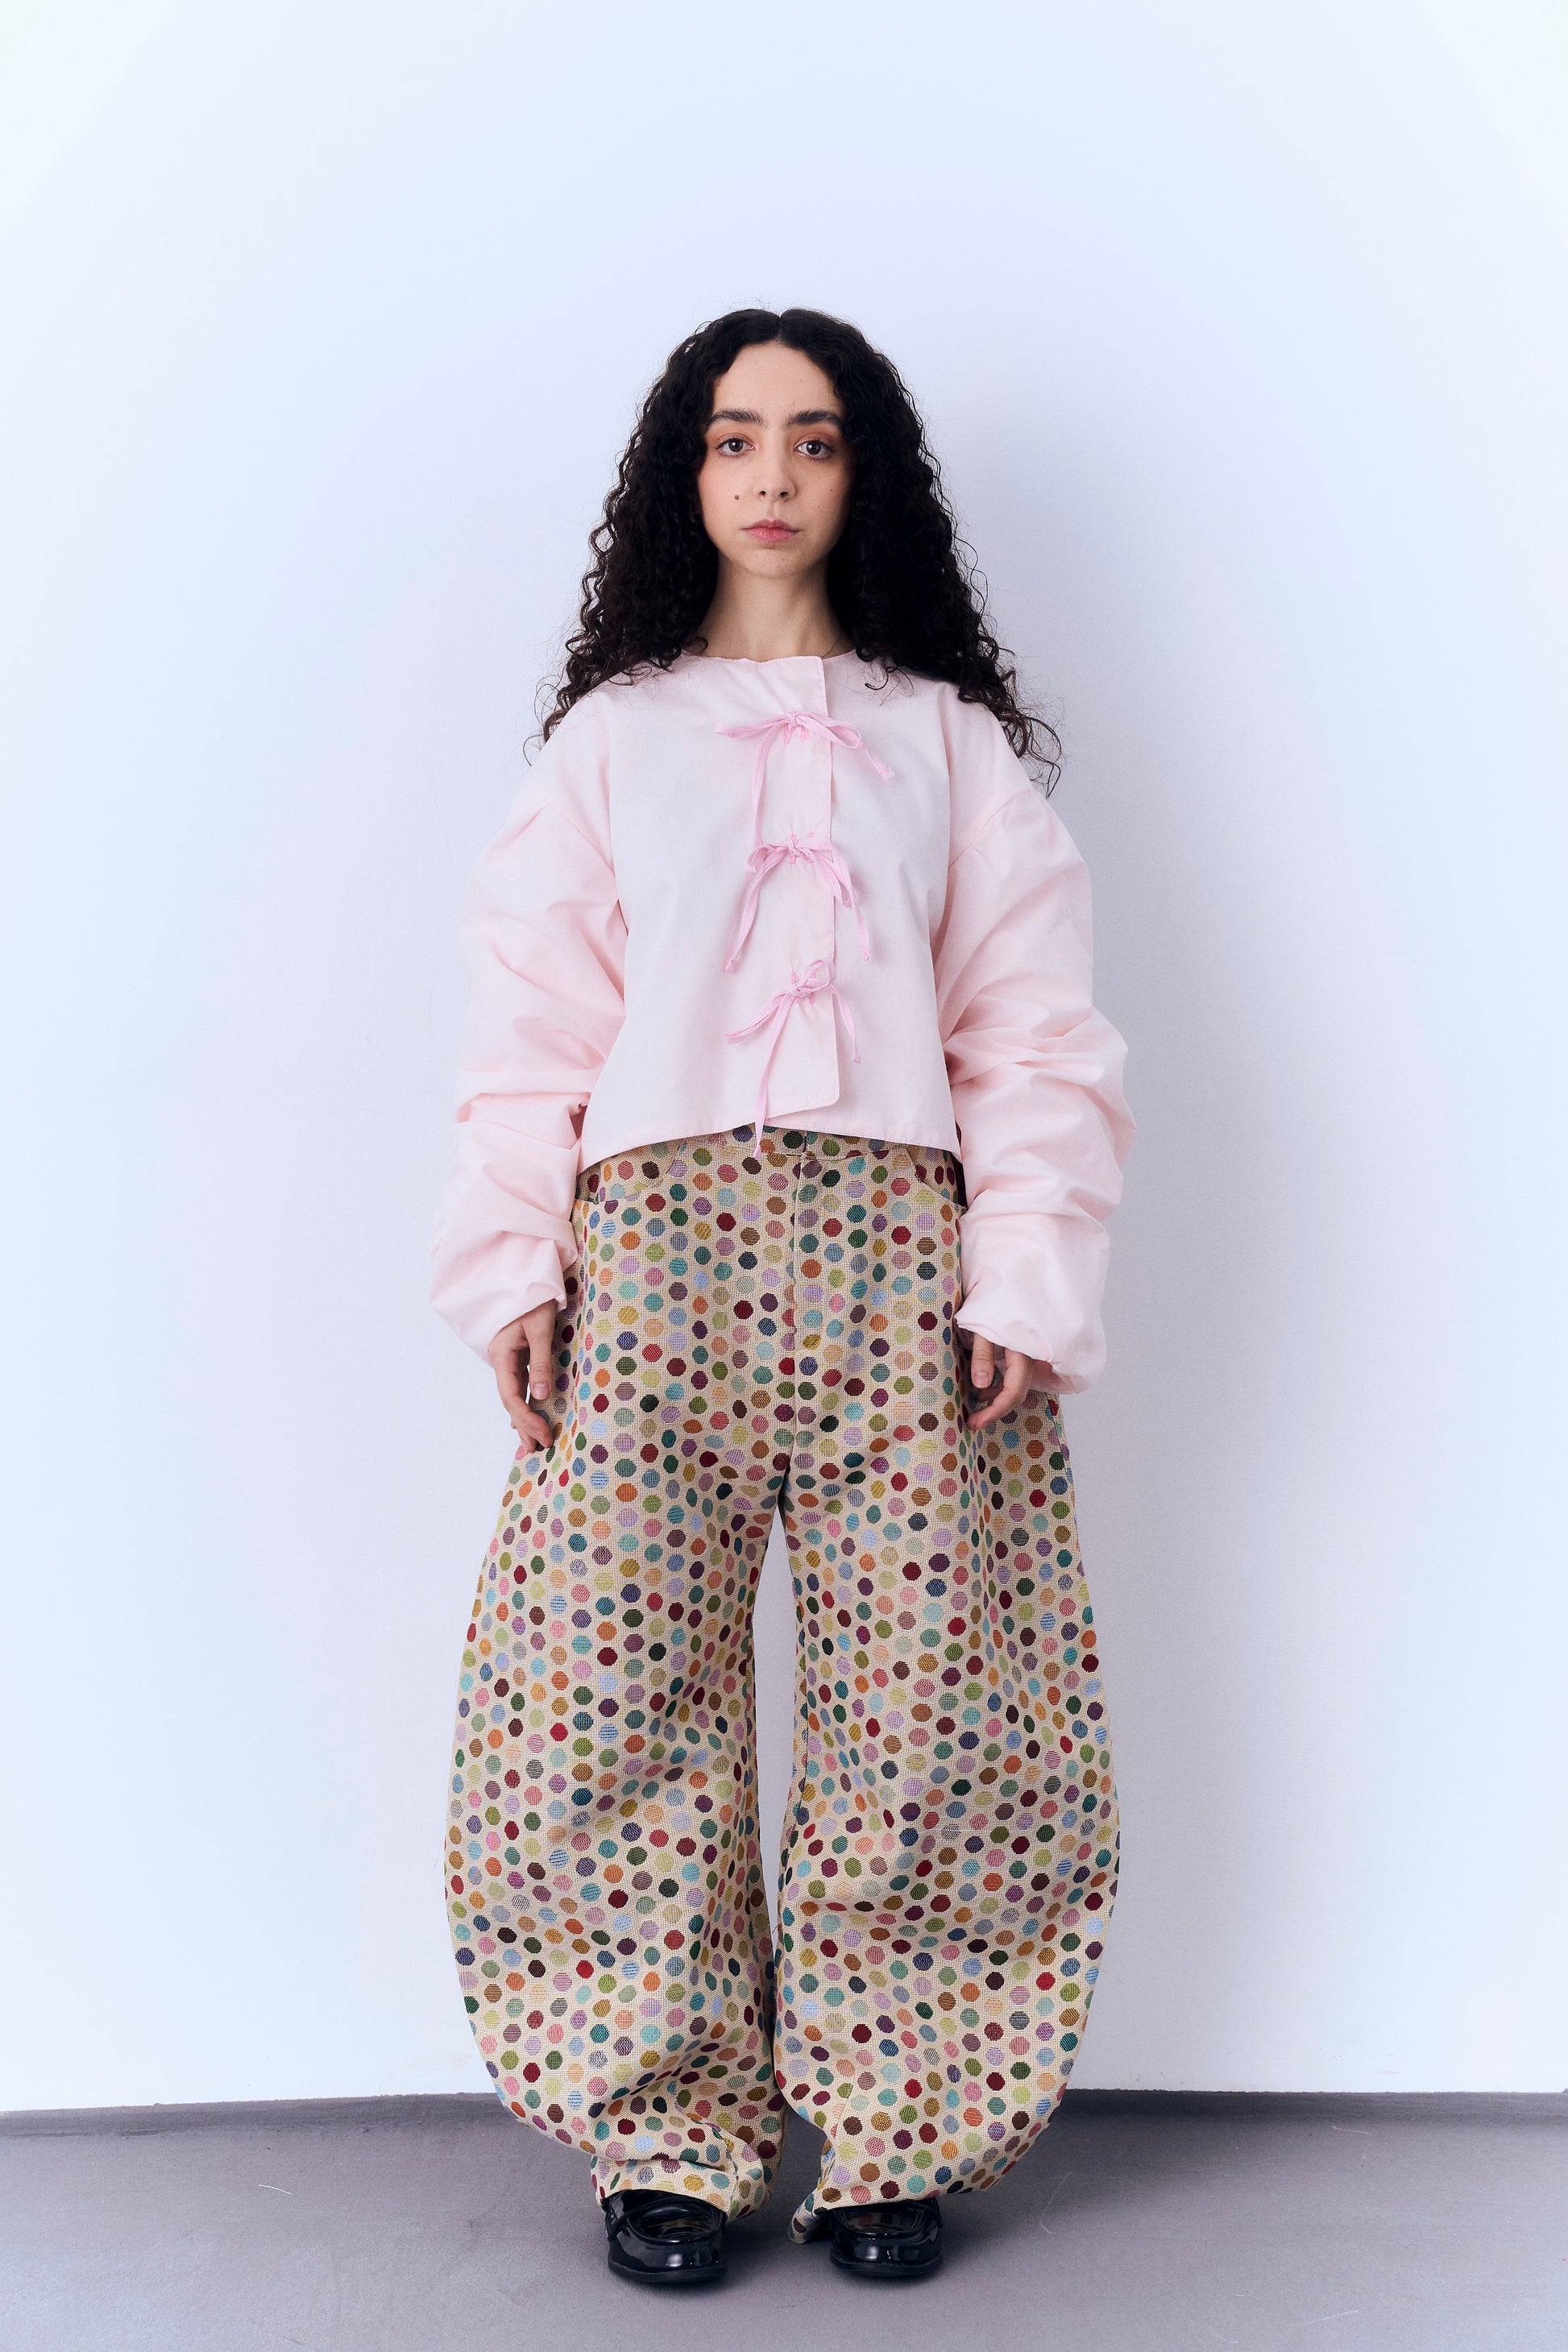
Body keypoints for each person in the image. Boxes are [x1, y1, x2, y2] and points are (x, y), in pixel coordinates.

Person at [429, 305, 1134, 2287]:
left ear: (861, 476)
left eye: (813, 439)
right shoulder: (612, 739)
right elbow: (528, 1026)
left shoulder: (943, 742)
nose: (770, 475)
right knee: (607, 1691)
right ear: (686, 472)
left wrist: (1026, 1268)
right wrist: (513, 1257)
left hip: (903, 1256)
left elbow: (1032, 1026)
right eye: (733, 436)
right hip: (652, 1254)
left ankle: (894, 2121)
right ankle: (663, 2127)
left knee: (931, 1696)